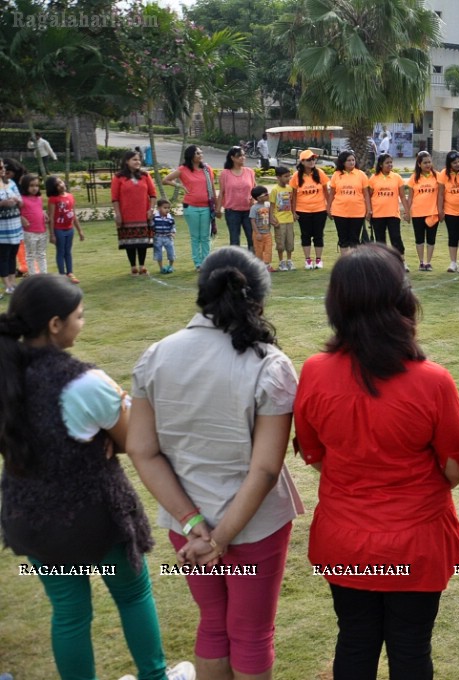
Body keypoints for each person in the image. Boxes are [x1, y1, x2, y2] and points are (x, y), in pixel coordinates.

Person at [0, 275, 195, 680]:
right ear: (55, 324)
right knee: (131, 593)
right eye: (79, 316)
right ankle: (155, 676)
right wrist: (111, 433)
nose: (82, 323)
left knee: (69, 613)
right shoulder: (84, 383)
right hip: (94, 519)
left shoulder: (7, 375)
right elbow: (132, 440)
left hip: (32, 518)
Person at [293, 244, 459, 680]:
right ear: (403, 301)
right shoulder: (433, 382)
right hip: (416, 542)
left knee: (355, 639)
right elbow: (454, 468)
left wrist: (358, 472)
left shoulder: (314, 371)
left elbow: (313, 454)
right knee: (410, 650)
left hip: (346, 538)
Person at [128, 247, 301, 680]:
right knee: (250, 632)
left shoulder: (155, 356)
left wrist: (193, 524)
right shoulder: (269, 364)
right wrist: (219, 538)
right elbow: (263, 469)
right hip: (254, 523)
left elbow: (143, 451)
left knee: (214, 624)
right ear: (258, 300)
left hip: (188, 523)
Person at [162, 145, 216, 271]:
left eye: (201, 153)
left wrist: (217, 204)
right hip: (191, 207)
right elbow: (165, 180)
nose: (201, 155)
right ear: (191, 156)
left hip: (206, 207)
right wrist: (180, 186)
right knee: (195, 236)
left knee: (205, 236)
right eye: (198, 153)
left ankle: (206, 262)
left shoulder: (207, 169)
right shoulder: (183, 169)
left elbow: (212, 187)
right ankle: (198, 263)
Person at [111, 150, 157, 276]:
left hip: (143, 214)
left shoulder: (145, 176)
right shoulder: (118, 177)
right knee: (130, 242)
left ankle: (142, 265)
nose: (137, 162)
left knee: (142, 242)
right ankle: (133, 266)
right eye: (134, 160)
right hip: (126, 215)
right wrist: (118, 214)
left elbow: (153, 195)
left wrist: (151, 209)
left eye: (138, 160)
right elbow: (115, 198)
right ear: (127, 161)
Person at [289, 149, 330, 269]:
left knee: (318, 235)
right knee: (305, 235)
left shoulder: (320, 173)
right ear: (302, 162)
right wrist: (294, 211)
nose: (312, 161)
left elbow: (326, 192)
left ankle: (318, 260)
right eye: (309, 159)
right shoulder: (297, 176)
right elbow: (294, 195)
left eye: (313, 159)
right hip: (303, 211)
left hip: (320, 210)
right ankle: (307, 260)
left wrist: (328, 207)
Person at [328, 149, 370, 256]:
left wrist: (368, 210)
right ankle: (344, 262)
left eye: (353, 160)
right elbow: (332, 194)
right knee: (343, 239)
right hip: (339, 212)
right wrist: (328, 208)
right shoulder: (336, 175)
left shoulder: (361, 175)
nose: (352, 162)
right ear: (342, 162)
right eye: (349, 160)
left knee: (354, 239)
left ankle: (354, 262)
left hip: (357, 212)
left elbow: (366, 194)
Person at [368, 153, 406, 268]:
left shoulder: (397, 177)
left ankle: (401, 262)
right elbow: (368, 197)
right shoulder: (373, 179)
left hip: (393, 214)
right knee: (380, 240)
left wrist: (407, 211)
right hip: (377, 215)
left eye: (391, 162)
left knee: (396, 238)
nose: (390, 165)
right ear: (380, 164)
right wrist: (368, 211)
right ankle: (382, 264)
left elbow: (403, 196)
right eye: (387, 163)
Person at [217, 146, 257, 251]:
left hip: (249, 211)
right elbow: (221, 193)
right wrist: (218, 209)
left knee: (252, 238)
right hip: (232, 212)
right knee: (234, 240)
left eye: (244, 155)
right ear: (232, 158)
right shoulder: (225, 174)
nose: (242, 158)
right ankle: (236, 263)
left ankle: (252, 263)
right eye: (239, 156)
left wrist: (256, 203)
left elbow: (255, 190)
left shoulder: (250, 172)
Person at [45, 176, 84, 284]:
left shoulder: (70, 196)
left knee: (68, 252)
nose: (61, 185)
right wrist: (52, 234)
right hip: (59, 230)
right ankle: (62, 275)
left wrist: (80, 230)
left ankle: (70, 273)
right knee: (61, 252)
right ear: (53, 188)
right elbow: (51, 217)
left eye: (61, 182)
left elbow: (74, 215)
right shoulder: (53, 199)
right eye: (57, 185)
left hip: (69, 229)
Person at [406, 151, 440, 271]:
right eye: (425, 162)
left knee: (431, 239)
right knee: (419, 239)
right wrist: (407, 212)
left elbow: (441, 195)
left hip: (432, 213)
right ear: (419, 164)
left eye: (429, 162)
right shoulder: (414, 178)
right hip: (417, 213)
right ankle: (421, 262)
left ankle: (428, 262)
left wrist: (441, 211)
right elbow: (410, 197)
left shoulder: (437, 176)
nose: (428, 165)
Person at [0, 158, 24, 295]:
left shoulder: (11, 183)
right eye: (0, 167)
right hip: (2, 227)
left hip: (14, 224)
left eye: (3, 166)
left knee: (13, 254)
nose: (3, 169)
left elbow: (21, 203)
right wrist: (2, 204)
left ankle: (13, 282)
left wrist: (17, 200)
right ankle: (7, 284)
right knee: (3, 255)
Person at [19, 173, 47, 275]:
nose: (34, 188)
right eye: (31, 186)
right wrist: (21, 218)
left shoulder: (39, 199)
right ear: (25, 186)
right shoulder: (21, 199)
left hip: (42, 231)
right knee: (30, 255)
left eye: (36, 185)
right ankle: (33, 276)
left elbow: (39, 210)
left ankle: (44, 275)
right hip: (29, 232)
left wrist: (44, 214)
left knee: (42, 255)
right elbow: (16, 212)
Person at [269, 167, 295, 271]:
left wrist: (294, 213)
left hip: (289, 220)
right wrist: (271, 217)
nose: (288, 178)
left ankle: (289, 261)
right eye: (285, 176)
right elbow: (272, 205)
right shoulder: (275, 190)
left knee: (290, 241)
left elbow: (292, 203)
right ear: (278, 177)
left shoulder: (290, 189)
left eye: (289, 176)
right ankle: (281, 262)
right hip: (279, 221)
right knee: (280, 242)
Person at [250, 186, 274, 272]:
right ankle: (259, 267)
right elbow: (252, 221)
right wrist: (257, 233)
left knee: (268, 249)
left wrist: (274, 223)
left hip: (267, 232)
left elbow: (270, 217)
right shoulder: (254, 208)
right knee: (259, 250)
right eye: (266, 194)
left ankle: (267, 265)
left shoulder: (267, 205)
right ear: (259, 198)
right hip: (258, 234)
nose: (268, 195)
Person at [152, 199, 177, 274]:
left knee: (171, 253)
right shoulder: (155, 217)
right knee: (158, 253)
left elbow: (173, 226)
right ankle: (161, 268)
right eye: (165, 208)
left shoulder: (170, 217)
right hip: (157, 237)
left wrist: (173, 233)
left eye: (168, 208)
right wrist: (152, 232)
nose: (167, 210)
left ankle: (170, 266)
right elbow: (152, 226)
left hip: (168, 237)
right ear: (159, 208)